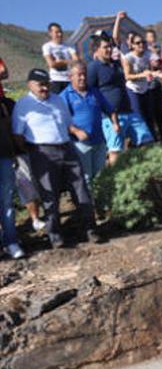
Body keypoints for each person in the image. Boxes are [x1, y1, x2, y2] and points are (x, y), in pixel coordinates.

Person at [11, 68, 100, 248]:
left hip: (67, 148)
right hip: (42, 152)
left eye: (46, 84)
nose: (44, 88)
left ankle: (90, 229)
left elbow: (67, 124)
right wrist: (33, 151)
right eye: (40, 85)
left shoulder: (58, 100)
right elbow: (18, 135)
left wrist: (76, 131)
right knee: (49, 195)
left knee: (81, 189)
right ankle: (55, 235)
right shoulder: (22, 105)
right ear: (30, 84)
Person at [88, 35, 154, 164]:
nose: (109, 49)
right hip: (111, 116)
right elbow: (90, 92)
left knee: (146, 141)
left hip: (129, 111)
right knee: (115, 150)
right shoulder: (94, 67)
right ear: (98, 49)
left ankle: (145, 175)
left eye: (110, 46)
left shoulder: (116, 64)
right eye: (105, 47)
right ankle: (114, 180)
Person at [60, 61, 118, 188]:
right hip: (80, 144)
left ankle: (102, 203)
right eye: (79, 75)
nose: (83, 78)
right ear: (70, 77)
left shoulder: (94, 92)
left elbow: (109, 109)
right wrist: (76, 131)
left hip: (99, 141)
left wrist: (115, 124)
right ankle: (90, 206)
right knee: (86, 179)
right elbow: (61, 121)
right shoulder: (65, 96)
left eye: (84, 74)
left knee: (101, 176)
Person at [122, 32, 162, 142]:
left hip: (145, 89)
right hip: (133, 90)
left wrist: (156, 72)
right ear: (132, 45)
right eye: (137, 43)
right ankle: (139, 143)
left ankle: (152, 142)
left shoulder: (147, 55)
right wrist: (142, 75)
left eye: (143, 42)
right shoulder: (128, 57)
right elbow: (127, 76)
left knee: (150, 117)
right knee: (138, 118)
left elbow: (154, 66)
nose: (141, 45)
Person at [0, 90, 24, 258]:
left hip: (5, 157)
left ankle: (11, 241)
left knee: (7, 202)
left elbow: (9, 128)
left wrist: (15, 153)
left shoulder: (3, 105)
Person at [42, 22, 79, 94]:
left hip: (69, 79)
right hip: (55, 80)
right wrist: (67, 61)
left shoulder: (69, 46)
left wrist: (59, 62)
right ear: (50, 33)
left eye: (60, 32)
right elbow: (51, 64)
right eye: (56, 32)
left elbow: (76, 61)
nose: (60, 34)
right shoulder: (47, 46)